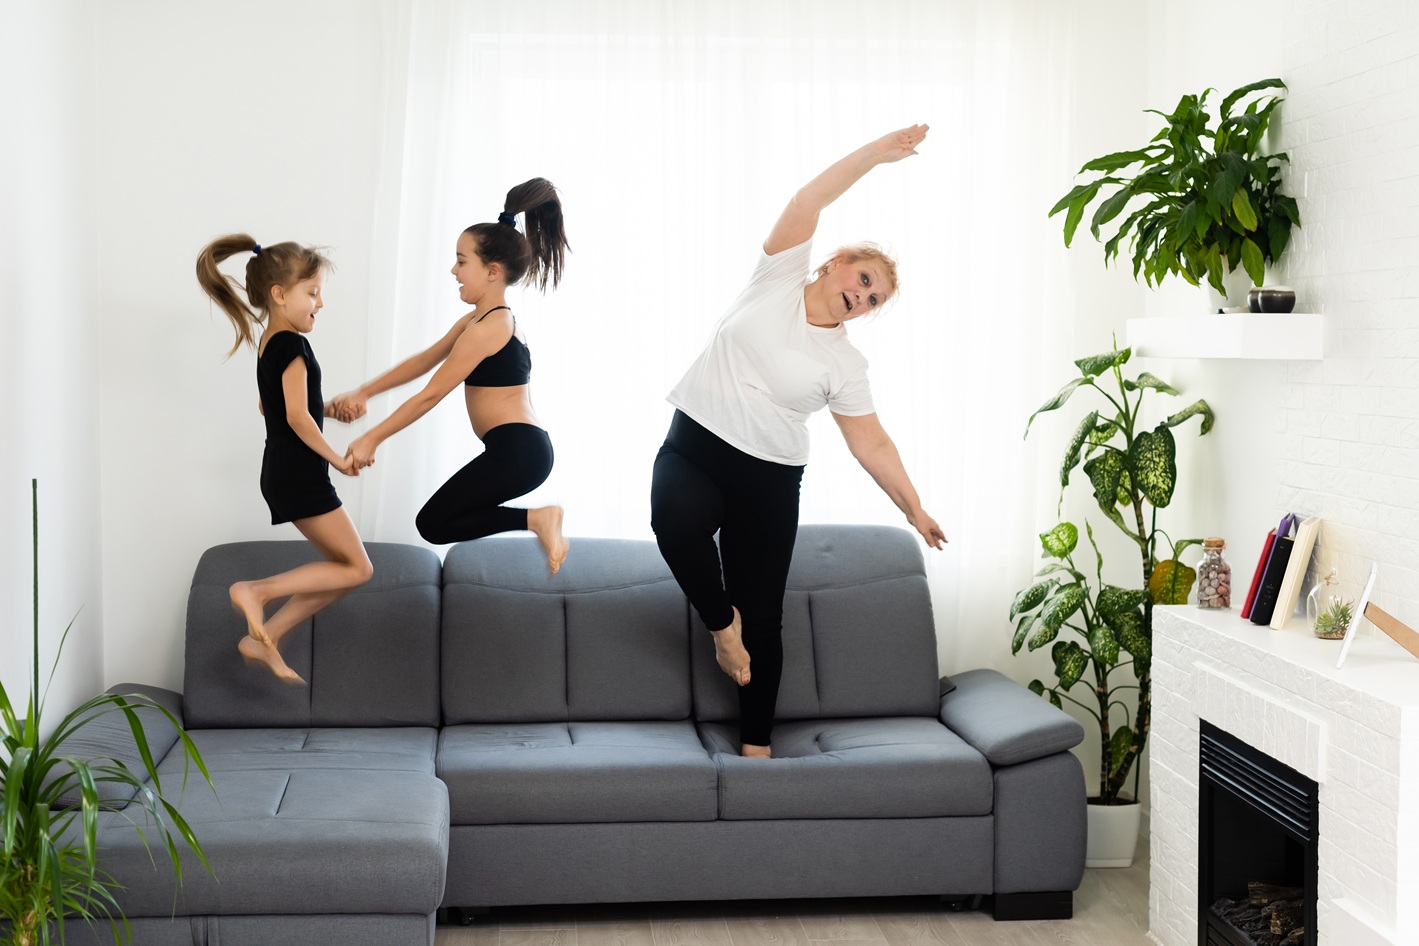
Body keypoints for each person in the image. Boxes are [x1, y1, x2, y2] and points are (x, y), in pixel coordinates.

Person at [650, 125, 947, 759]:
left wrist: (912, 506)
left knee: (765, 618)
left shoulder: (846, 366)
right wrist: (874, 154)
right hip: (695, 445)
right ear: (835, 261)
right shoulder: (777, 278)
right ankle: (719, 626)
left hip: (769, 480)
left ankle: (756, 754)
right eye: (862, 278)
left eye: (873, 299)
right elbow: (809, 199)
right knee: (674, 523)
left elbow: (872, 444)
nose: (861, 297)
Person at [334, 178, 571, 574]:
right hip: (519, 449)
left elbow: (431, 394)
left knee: (433, 522)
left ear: (492, 271)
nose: (453, 270)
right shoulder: (481, 320)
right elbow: (424, 360)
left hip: (519, 452)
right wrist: (364, 392)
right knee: (435, 522)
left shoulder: (488, 329)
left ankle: (539, 519)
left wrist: (373, 436)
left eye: (462, 261)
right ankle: (537, 519)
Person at [196, 235, 373, 685]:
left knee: (345, 572)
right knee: (357, 568)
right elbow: (294, 417)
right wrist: (337, 457)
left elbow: (270, 407)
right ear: (279, 295)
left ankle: (264, 636)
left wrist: (327, 409)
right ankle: (254, 591)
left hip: (283, 473)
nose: (320, 303)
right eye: (312, 292)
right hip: (298, 475)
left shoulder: (270, 342)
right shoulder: (293, 345)